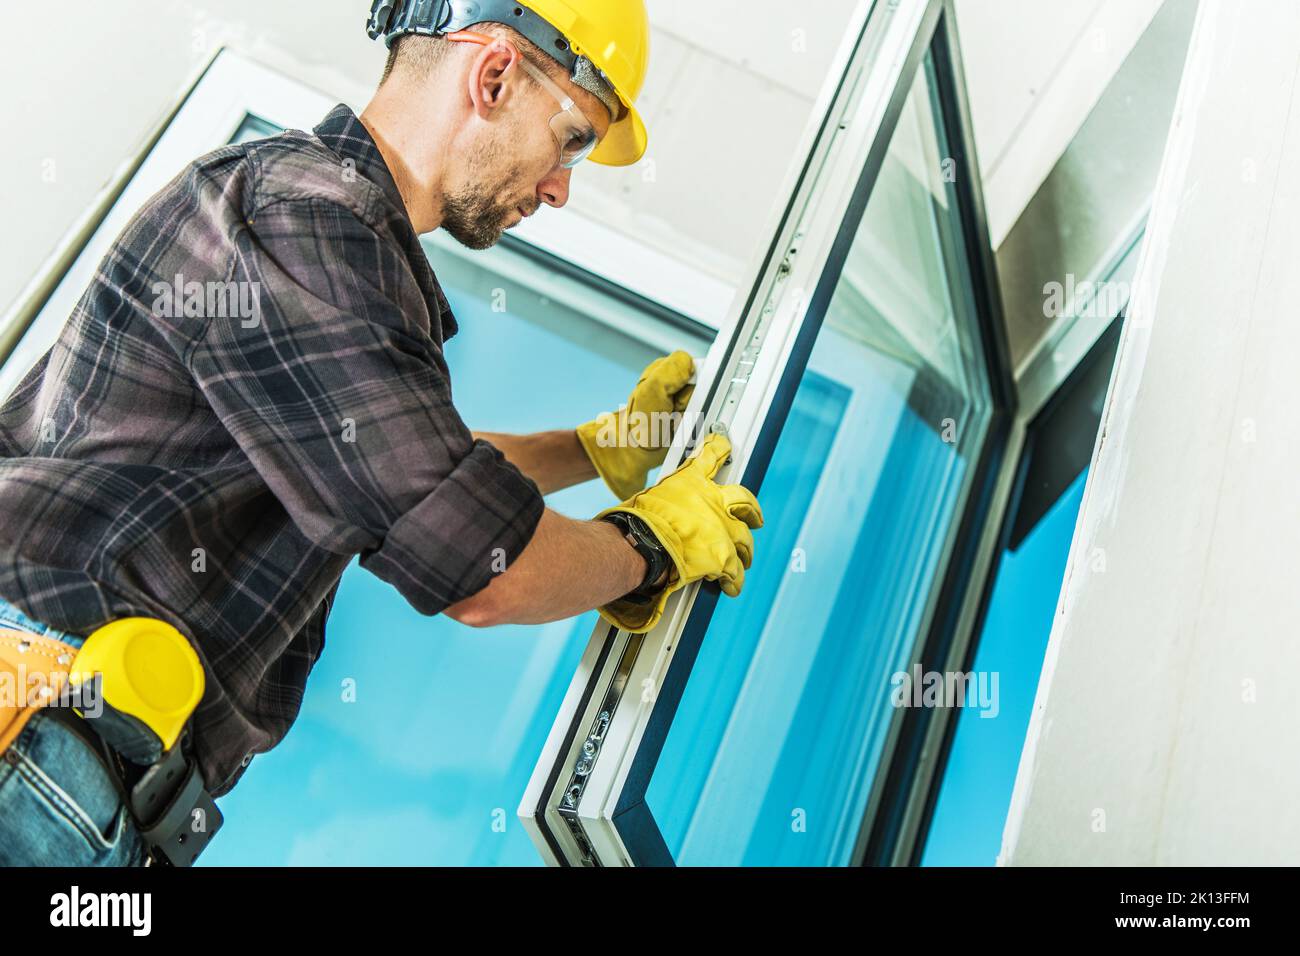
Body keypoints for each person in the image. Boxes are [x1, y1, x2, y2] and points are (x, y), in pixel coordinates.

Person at [0, 0, 761, 865]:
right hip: (47, 741)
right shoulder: (304, 215)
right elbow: (479, 563)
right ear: (496, 73)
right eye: (574, 140)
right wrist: (649, 548)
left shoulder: (320, 227)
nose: (560, 187)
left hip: (91, 772)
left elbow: (421, 472)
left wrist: (592, 452)